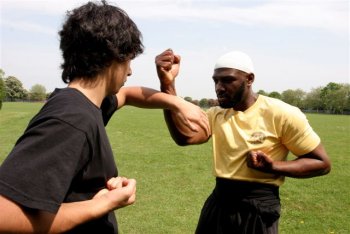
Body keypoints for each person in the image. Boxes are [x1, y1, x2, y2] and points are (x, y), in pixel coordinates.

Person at [0, 2, 208, 233]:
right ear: (113, 57)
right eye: (128, 60)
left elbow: (128, 95)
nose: (129, 71)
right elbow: (3, 214)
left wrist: (176, 101)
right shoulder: (72, 118)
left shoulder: (89, 105)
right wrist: (102, 204)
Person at [155, 49, 331, 234]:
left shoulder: (282, 113)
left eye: (227, 80)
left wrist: (273, 167)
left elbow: (322, 163)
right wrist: (167, 83)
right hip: (219, 201)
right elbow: (185, 137)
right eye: (216, 80)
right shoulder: (216, 114)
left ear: (249, 79)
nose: (219, 87)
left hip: (259, 207)